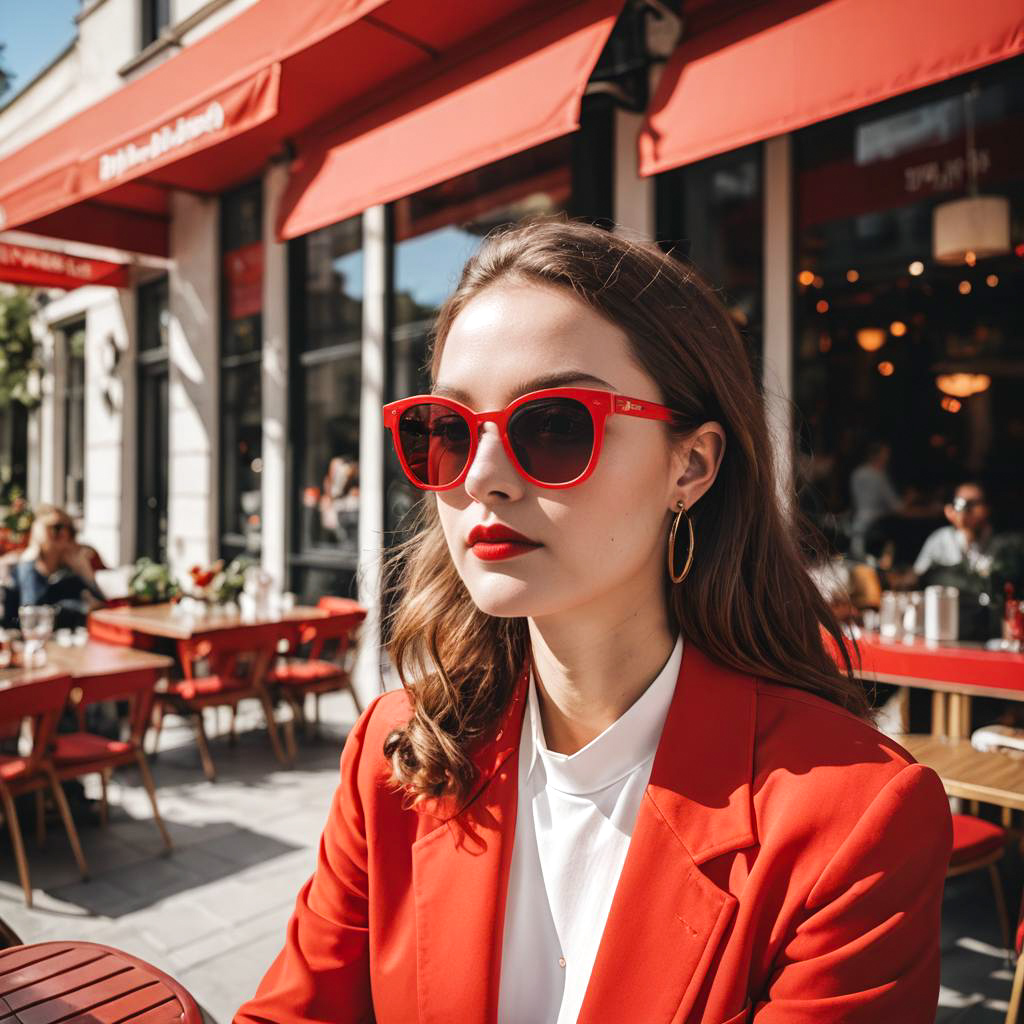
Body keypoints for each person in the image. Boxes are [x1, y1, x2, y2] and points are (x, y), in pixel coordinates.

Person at [235, 220, 951, 1023]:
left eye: (552, 424)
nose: (482, 478)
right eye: (446, 430)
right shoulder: (396, 750)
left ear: (691, 465)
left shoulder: (850, 823)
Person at [8, 505, 105, 628]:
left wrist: (86, 573)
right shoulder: (26, 566)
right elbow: (32, 615)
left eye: (69, 529)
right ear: (38, 531)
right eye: (56, 528)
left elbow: (101, 607)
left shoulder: (72, 570)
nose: (64, 533)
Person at [914, 481, 993, 579]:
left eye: (973, 503)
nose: (967, 510)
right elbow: (916, 575)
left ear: (987, 508)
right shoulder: (940, 539)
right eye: (960, 503)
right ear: (950, 511)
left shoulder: (1001, 541)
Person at [848, 441, 903, 559]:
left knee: (858, 560)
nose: (888, 458)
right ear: (877, 455)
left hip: (857, 523)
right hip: (874, 530)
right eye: (886, 454)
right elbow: (896, 507)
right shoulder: (879, 476)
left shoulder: (857, 472)